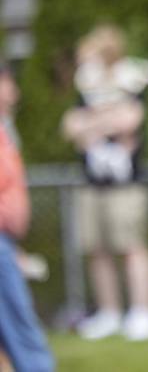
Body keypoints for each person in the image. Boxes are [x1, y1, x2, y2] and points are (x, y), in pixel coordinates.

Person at [61, 25, 148, 341]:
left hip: (126, 186)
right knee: (98, 250)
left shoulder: (129, 82)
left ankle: (144, 312)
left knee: (132, 247)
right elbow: (70, 127)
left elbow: (130, 120)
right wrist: (102, 122)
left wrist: (92, 124)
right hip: (92, 184)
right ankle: (109, 312)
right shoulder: (85, 89)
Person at [0, 61, 54, 372]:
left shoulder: (7, 128)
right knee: (21, 330)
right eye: (8, 83)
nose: (15, 92)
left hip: (6, 242)